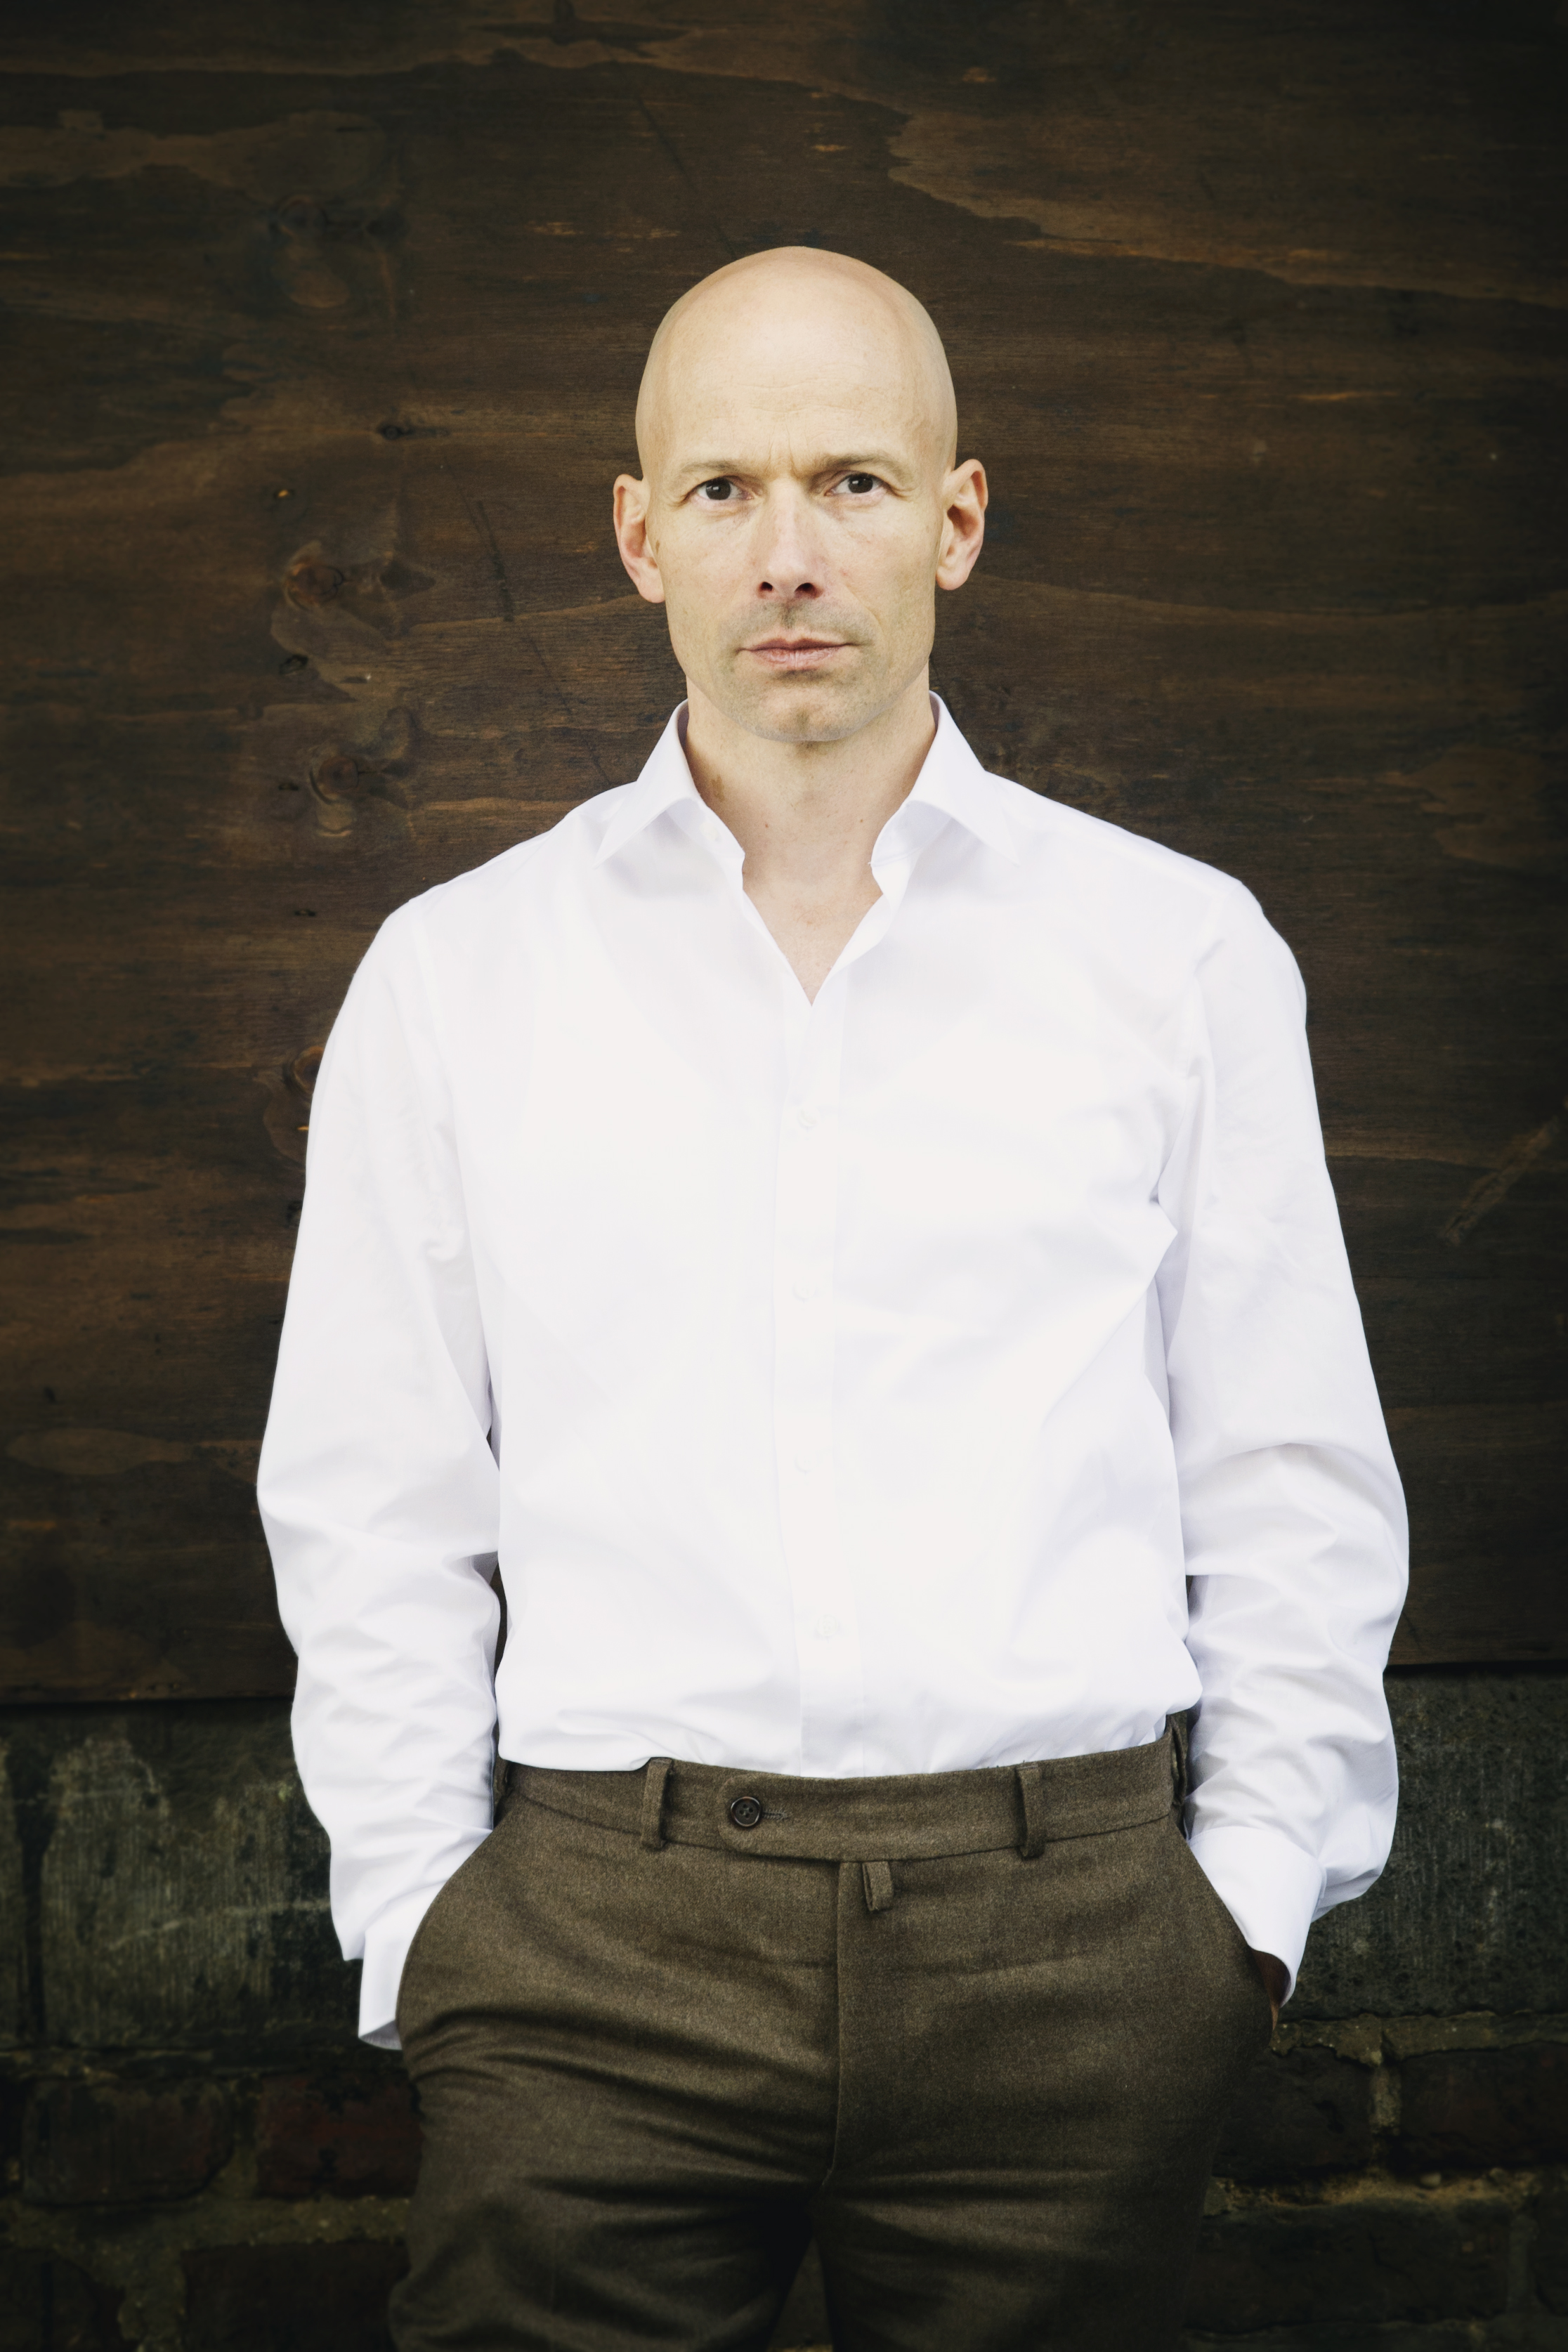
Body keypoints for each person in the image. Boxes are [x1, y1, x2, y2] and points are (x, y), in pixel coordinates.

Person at [259, 246, 1407, 2351]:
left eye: (853, 482)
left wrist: (1243, 1917)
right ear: (639, 535)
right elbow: (373, 1493)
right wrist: (426, 1930)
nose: (788, 554)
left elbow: (1289, 1469)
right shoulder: (461, 973)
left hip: (1072, 1954)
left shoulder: (1176, 953)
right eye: (725, 489)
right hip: (593, 1956)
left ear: (956, 520)